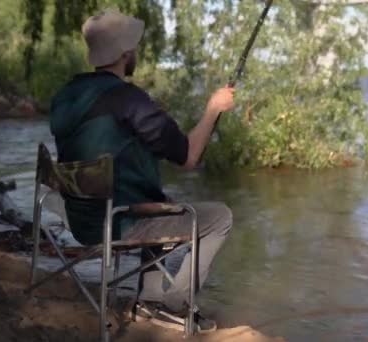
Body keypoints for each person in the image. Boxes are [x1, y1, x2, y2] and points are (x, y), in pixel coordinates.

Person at [48, 9, 235, 332]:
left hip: (78, 216)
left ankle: (149, 299)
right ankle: (172, 304)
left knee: (154, 199)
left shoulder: (65, 96)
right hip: (116, 223)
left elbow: (102, 139)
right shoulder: (129, 99)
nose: (136, 51)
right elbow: (188, 158)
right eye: (133, 46)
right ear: (125, 54)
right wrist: (213, 110)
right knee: (219, 217)